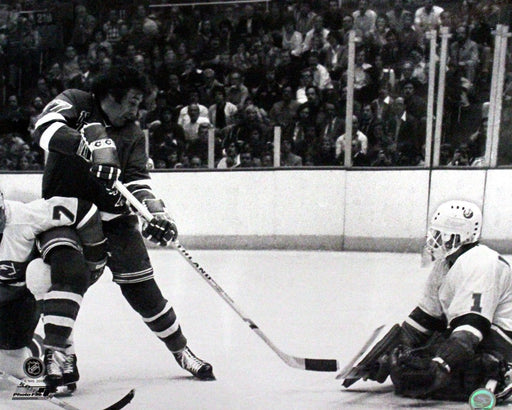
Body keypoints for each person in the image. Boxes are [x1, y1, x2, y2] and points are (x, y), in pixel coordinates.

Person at [32, 65, 215, 380]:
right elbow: (43, 129)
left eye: (139, 103)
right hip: (65, 214)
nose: (135, 109)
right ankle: (60, 355)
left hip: (114, 221)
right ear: (109, 96)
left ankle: (181, 350)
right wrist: (86, 146)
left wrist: (155, 213)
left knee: (144, 291)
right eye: (131, 101)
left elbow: (137, 179)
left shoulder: (132, 132)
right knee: (67, 276)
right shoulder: (76, 101)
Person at [342, 200, 512, 402]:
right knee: (408, 370)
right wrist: (387, 354)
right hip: (477, 335)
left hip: (501, 340)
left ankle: (500, 372)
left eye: (440, 234)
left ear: (460, 236)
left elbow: (471, 331)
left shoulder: (480, 263)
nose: (433, 240)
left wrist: (440, 364)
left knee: (426, 377)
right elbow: (423, 322)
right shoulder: (445, 264)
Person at [0, 191, 107, 393]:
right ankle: (34, 345)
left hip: (23, 300)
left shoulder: (24, 216)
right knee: (8, 367)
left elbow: (84, 210)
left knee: (39, 272)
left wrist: (94, 261)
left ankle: (60, 350)